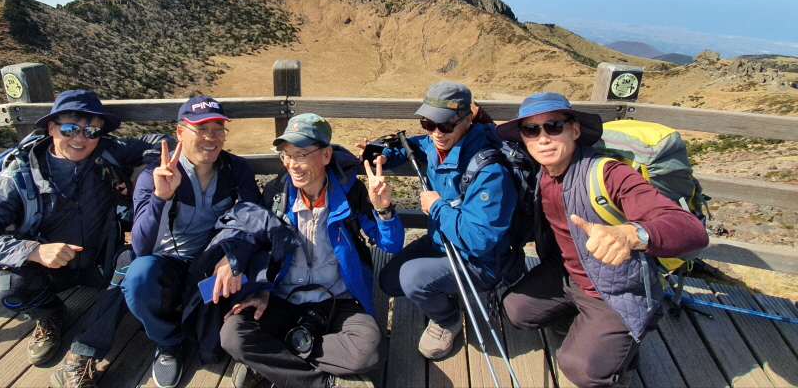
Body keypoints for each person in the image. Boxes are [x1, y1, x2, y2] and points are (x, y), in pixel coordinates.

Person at [0, 90, 166, 388]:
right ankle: (50, 314)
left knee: (133, 263)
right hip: (47, 271)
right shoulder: (18, 176)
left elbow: (164, 141)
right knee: (11, 288)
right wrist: (32, 250)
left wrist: (144, 172)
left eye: (91, 131)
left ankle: (84, 352)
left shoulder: (107, 152)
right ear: (51, 128)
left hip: (100, 261)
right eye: (69, 129)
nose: (80, 139)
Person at [497, 92, 709, 388]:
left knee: (580, 367)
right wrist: (466, 114)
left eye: (553, 126)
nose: (543, 138)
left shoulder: (608, 173)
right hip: (568, 274)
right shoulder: (544, 171)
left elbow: (691, 230)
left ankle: (620, 361)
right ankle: (587, 327)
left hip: (616, 288)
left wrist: (631, 234)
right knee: (516, 309)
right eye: (531, 130)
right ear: (524, 138)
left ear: (575, 130)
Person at [220, 113, 405, 388]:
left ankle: (274, 360)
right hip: (282, 298)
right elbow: (257, 242)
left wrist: (383, 209)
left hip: (337, 301)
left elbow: (391, 244)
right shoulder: (276, 194)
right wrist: (260, 288)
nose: (292, 164)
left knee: (371, 349)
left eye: (301, 155)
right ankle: (324, 382)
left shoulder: (351, 193)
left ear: (326, 155)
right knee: (233, 335)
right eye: (287, 155)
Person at [122, 95, 262, 388]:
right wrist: (161, 197)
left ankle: (232, 332)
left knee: (257, 266)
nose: (211, 138)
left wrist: (233, 257)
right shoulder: (153, 176)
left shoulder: (235, 169)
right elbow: (141, 248)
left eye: (218, 129)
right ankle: (168, 342)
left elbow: (257, 220)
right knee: (138, 276)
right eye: (201, 129)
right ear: (180, 132)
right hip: (170, 264)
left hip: (213, 263)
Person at [374, 81, 520, 360]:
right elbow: (413, 145)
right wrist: (383, 154)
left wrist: (437, 208)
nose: (436, 133)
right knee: (390, 281)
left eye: (445, 125)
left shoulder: (490, 172)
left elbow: (479, 240)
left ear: (467, 120)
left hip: (479, 262)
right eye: (428, 123)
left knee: (412, 278)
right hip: (441, 242)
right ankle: (443, 287)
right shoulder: (437, 143)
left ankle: (448, 318)